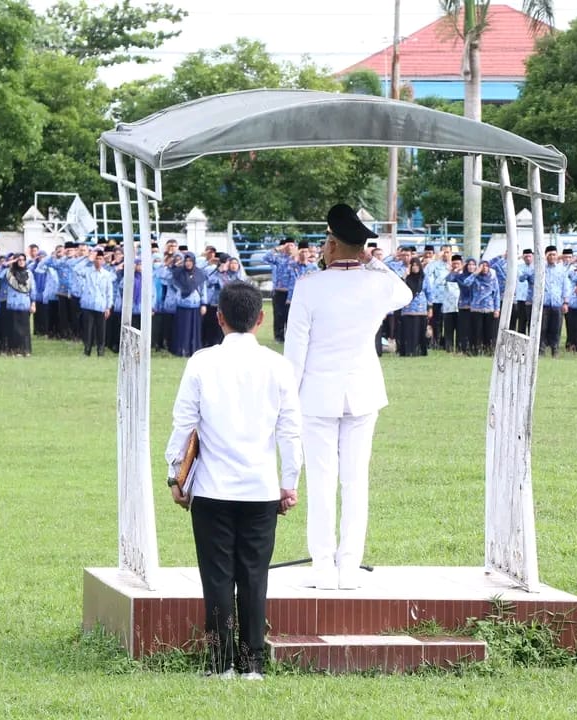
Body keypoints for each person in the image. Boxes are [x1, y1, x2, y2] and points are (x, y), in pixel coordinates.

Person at [165, 280, 302, 680]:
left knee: (217, 578)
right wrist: (289, 481)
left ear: (218, 317)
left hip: (211, 489)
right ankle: (253, 663)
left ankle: (221, 662)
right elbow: (291, 429)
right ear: (260, 319)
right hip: (261, 488)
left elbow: (183, 426)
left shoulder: (201, 362)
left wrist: (176, 477)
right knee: (254, 578)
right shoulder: (279, 365)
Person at [284, 203, 412, 591]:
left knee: (322, 481)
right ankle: (348, 567)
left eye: (327, 241)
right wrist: (374, 262)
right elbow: (405, 294)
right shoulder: (378, 284)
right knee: (356, 481)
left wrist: (287, 398)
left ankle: (323, 567)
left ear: (333, 244)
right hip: (363, 391)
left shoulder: (309, 286)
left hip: (316, 395)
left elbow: (295, 351)